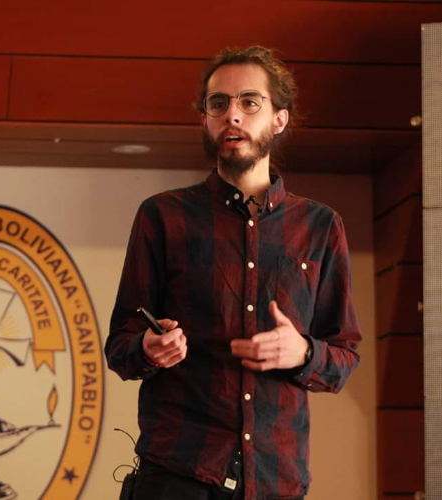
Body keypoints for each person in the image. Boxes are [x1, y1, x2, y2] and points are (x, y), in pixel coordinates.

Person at [105, 45, 361, 500]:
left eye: (249, 101)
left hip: (276, 479)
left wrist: (302, 351)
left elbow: (343, 358)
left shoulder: (321, 226)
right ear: (204, 119)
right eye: (218, 103)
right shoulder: (162, 216)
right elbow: (120, 346)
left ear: (279, 119)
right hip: (177, 474)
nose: (232, 115)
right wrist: (148, 347)